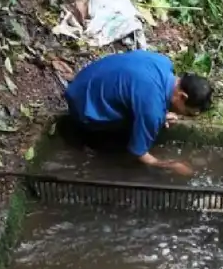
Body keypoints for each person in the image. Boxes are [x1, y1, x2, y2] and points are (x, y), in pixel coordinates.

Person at [63, 50, 213, 176]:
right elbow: (138, 153)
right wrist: (169, 165)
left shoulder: (163, 62)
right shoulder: (152, 109)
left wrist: (159, 115)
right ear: (182, 97)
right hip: (82, 107)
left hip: (82, 82)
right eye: (186, 112)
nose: (181, 115)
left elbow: (139, 92)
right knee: (127, 151)